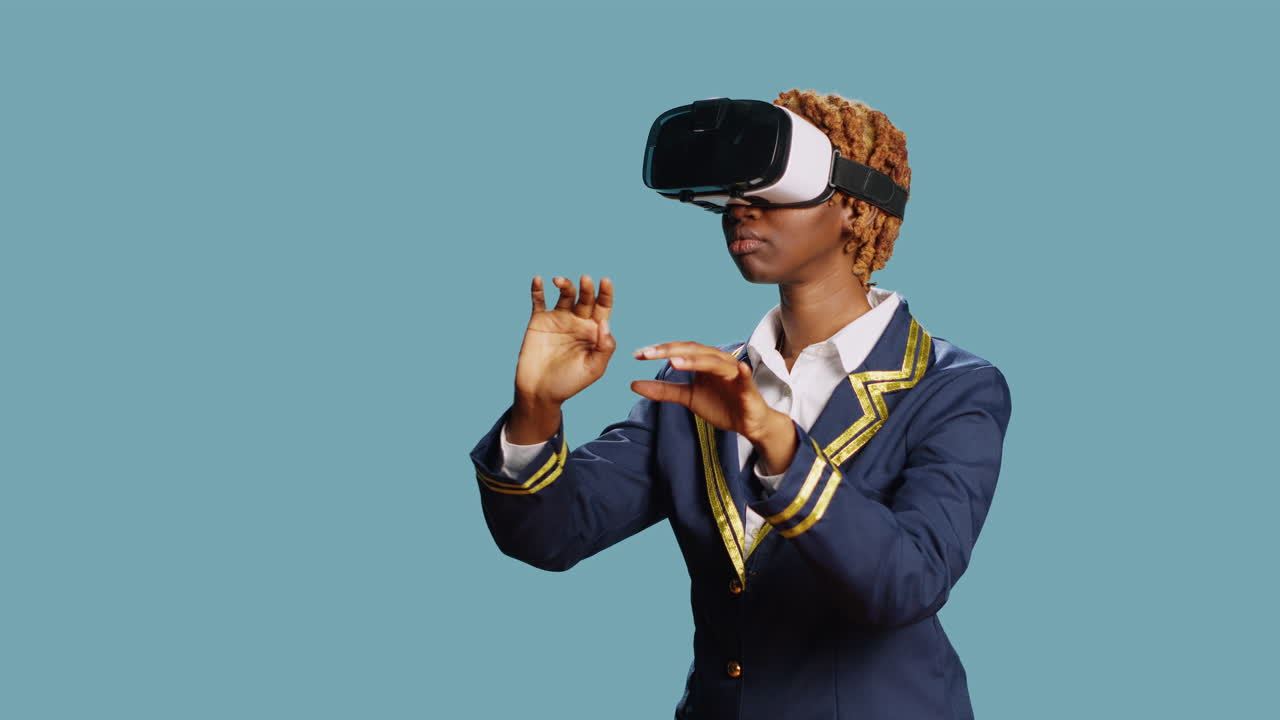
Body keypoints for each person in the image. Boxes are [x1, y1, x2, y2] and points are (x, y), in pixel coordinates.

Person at [468, 89, 1013, 720]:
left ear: (854, 210)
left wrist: (780, 447)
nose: (740, 208)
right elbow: (551, 535)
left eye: (771, 186)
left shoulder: (954, 388)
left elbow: (907, 584)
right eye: (734, 189)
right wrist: (536, 408)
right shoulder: (699, 385)